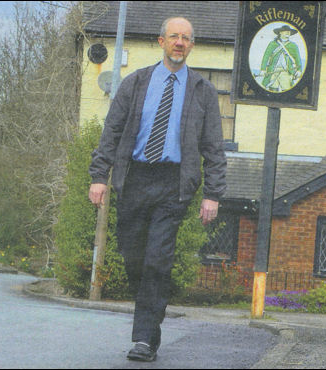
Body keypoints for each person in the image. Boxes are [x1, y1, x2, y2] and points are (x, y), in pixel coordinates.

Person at [88, 16, 227, 362]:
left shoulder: (203, 91)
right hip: (134, 179)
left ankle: (145, 339)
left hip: (173, 184)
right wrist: (99, 175)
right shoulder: (135, 83)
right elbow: (112, 132)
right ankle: (152, 315)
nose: (180, 43)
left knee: (157, 260)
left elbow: (213, 147)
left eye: (186, 38)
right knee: (133, 257)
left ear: (192, 46)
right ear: (160, 41)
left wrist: (212, 194)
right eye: (174, 37)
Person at [259, 24, 302, 92]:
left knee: (286, 91)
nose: (288, 32)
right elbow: (266, 57)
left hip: (286, 71)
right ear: (280, 32)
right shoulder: (272, 44)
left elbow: (298, 59)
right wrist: (263, 69)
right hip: (273, 71)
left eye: (289, 31)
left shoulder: (293, 46)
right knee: (272, 90)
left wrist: (299, 70)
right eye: (285, 31)